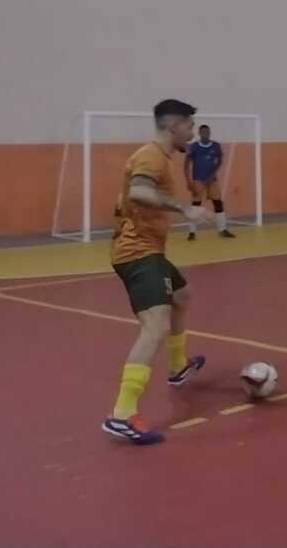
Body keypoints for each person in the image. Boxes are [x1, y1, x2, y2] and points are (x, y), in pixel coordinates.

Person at [102, 99, 213, 445]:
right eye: (190, 126)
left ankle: (177, 367)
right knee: (156, 326)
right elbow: (138, 191)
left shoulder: (160, 157)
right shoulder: (151, 155)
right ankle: (121, 414)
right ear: (174, 125)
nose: (193, 133)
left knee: (182, 296)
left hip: (148, 250)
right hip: (137, 252)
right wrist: (185, 209)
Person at [185, 124, 235, 241]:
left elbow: (220, 160)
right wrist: (188, 181)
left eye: (207, 132)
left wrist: (213, 174)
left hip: (212, 180)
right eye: (203, 132)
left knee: (218, 203)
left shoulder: (216, 146)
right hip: (198, 179)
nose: (205, 134)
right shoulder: (194, 147)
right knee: (195, 205)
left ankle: (222, 230)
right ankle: (192, 232)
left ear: (209, 133)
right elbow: (186, 165)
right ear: (199, 133)